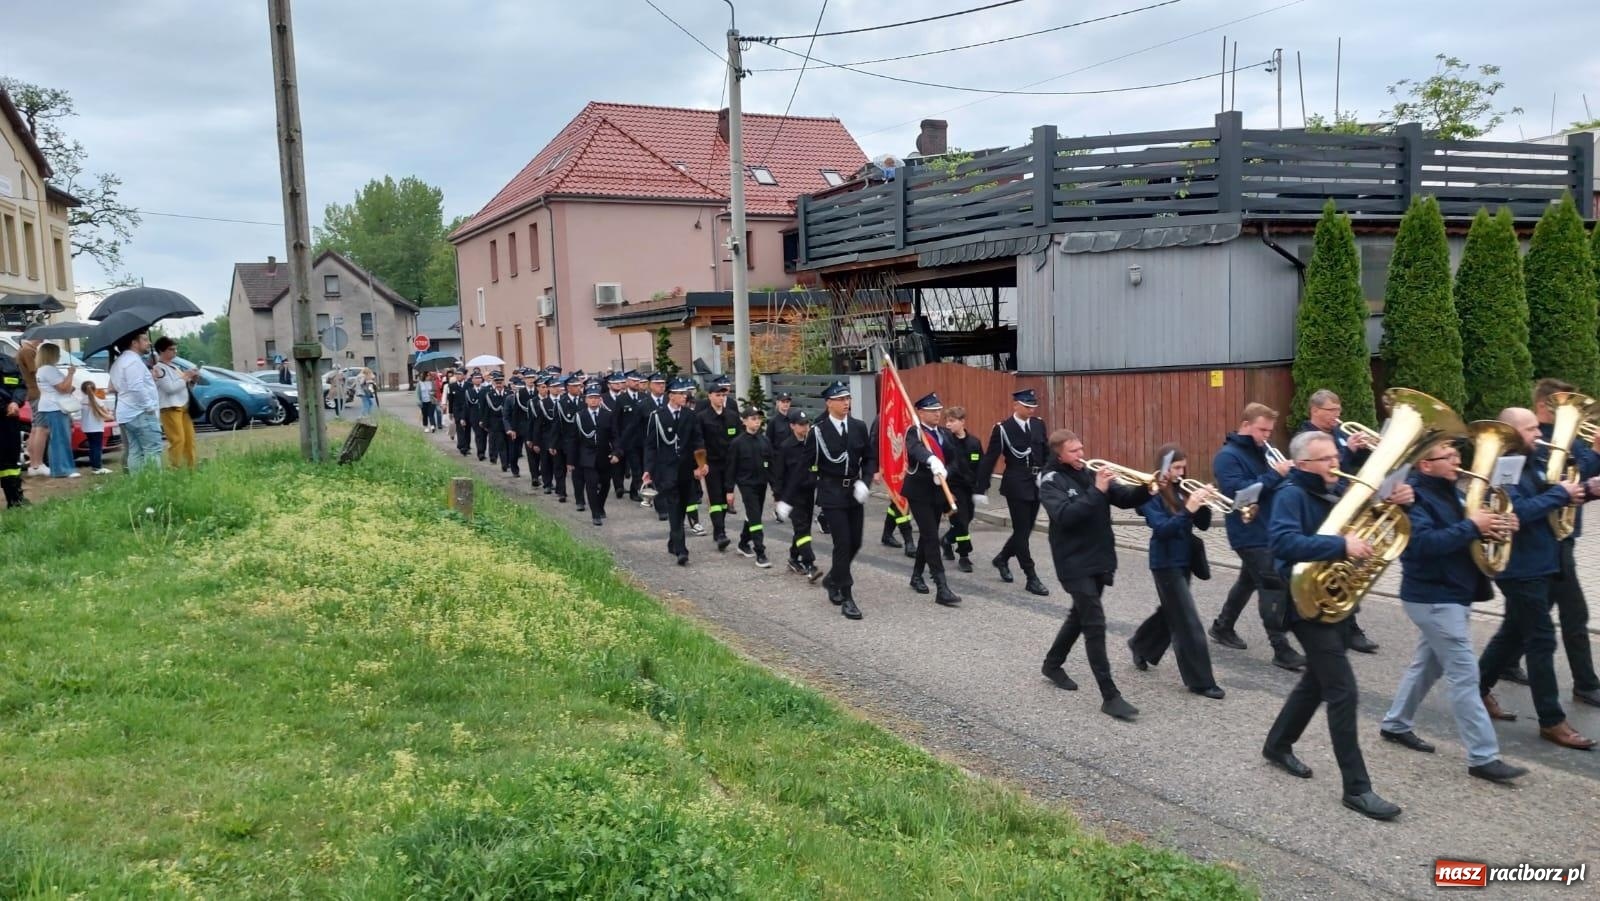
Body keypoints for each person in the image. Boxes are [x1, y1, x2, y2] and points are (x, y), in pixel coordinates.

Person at [1263, 430, 1401, 820]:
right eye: (1326, 459)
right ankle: (1357, 789)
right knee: (1342, 690)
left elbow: (1362, 532)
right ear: (1304, 464)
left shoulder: (1335, 490)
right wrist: (1342, 546)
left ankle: (1277, 744)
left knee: (1316, 682)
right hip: (1302, 604)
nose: (1335, 464)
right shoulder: (1291, 494)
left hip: (1333, 602)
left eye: (1335, 457)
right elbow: (1284, 544)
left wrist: (1390, 506)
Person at [1377, 438, 1530, 783]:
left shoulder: (1455, 491)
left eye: (1456, 453)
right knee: (1464, 675)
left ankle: (1395, 723)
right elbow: (1422, 546)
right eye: (1446, 456)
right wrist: (1473, 525)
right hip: (1432, 596)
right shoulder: (1413, 497)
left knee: (1426, 666)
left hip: (1452, 593)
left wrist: (1500, 525)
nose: (1456, 459)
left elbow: (1469, 533)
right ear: (1425, 465)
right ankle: (1483, 756)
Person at [1476, 407, 1595, 750]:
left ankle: (1477, 689)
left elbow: (1555, 494)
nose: (1539, 435)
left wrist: (1585, 489)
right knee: (1541, 640)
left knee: (1512, 634)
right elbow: (1516, 513)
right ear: (1511, 433)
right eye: (1530, 430)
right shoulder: (1500, 469)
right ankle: (1551, 720)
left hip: (1546, 560)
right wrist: (1560, 494)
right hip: (1520, 567)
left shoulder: (1536, 457)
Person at [1499, 379, 1600, 707]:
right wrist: (1592, 456)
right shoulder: (1530, 443)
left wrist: (1591, 485)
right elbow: (1551, 485)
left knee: (1522, 617)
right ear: (1545, 406)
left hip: (1560, 535)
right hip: (1544, 541)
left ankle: (1500, 667)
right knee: (1573, 614)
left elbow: (1574, 482)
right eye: (1566, 405)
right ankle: (1585, 685)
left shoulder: (1562, 438)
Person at [1038, 428, 1149, 720]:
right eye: (1074, 451)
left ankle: (1052, 663)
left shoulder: (1090, 473)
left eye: (1082, 449)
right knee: (1095, 623)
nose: (1082, 455)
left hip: (1099, 558)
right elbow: (1066, 516)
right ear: (1058, 453)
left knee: (1080, 616)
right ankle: (1110, 696)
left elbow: (1125, 499)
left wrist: (1149, 487)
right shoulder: (1051, 481)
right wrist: (1097, 489)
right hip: (1072, 562)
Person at [1210, 403, 1305, 671]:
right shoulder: (1227, 456)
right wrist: (1276, 475)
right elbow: (1238, 494)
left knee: (1248, 580)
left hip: (1269, 527)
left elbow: (1276, 485)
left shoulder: (1264, 451)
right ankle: (1280, 647)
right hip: (1247, 531)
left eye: (1269, 430)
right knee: (1272, 583)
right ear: (1246, 424)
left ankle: (1222, 626)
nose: (1267, 435)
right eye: (1262, 429)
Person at [1129, 444, 1224, 699]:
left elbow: (1202, 525)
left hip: (1185, 560)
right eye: (1176, 468)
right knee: (1187, 620)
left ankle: (1140, 645)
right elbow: (1162, 530)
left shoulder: (1183, 489)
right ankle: (1201, 681)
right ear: (1164, 467)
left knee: (1170, 611)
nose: (1181, 472)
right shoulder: (1151, 494)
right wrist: (1189, 508)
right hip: (1164, 562)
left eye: (1183, 467)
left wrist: (1204, 504)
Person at [1295, 389, 1380, 654]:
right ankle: (1344, 624)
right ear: (1315, 410)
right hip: (1324, 505)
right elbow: (1325, 470)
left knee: (1347, 563)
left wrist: (1362, 451)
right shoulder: (1305, 438)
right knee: (1336, 562)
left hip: (1344, 502)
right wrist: (1346, 452)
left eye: (1338, 410)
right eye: (1331, 410)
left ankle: (1342, 621)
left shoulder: (1340, 434)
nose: (1337, 416)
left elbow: (1352, 467)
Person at [812, 380, 876, 620]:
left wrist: (865, 481)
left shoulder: (858, 427)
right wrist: (787, 497)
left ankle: (832, 579)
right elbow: (806, 464)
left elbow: (870, 458)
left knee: (856, 543)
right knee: (843, 543)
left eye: (847, 398)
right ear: (829, 403)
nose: (846, 403)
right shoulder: (818, 430)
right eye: (840, 399)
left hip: (854, 493)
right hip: (831, 493)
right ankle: (847, 596)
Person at [977, 389, 1050, 596]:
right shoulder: (1003, 428)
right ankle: (1031, 576)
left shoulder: (1038, 424)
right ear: (1016, 405)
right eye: (1027, 406)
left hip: (1036, 483)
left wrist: (1047, 473)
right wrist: (981, 488)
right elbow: (990, 458)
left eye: (1033, 406)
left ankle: (1002, 558)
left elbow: (1045, 453)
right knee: (1021, 531)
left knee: (1025, 530)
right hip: (1016, 483)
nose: (1031, 409)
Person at [902, 393, 961, 606]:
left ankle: (917, 575)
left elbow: (955, 460)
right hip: (919, 492)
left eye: (938, 410)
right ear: (920, 412)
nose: (937, 413)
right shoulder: (914, 432)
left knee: (928, 536)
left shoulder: (944, 433)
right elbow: (915, 450)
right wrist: (931, 459)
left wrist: (945, 471)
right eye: (932, 410)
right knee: (931, 536)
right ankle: (942, 587)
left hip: (938, 490)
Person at [642, 376, 707, 565]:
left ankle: (673, 541)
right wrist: (648, 469)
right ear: (671, 396)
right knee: (674, 507)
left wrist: (701, 464)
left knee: (683, 506)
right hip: (666, 470)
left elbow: (698, 441)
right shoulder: (658, 416)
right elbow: (651, 446)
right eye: (679, 394)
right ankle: (681, 549)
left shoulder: (690, 415)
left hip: (686, 470)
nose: (684, 397)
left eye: (685, 393)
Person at [774, 411, 823, 581]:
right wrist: (778, 498)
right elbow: (778, 474)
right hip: (792, 495)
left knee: (804, 529)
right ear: (792, 426)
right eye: (801, 425)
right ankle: (810, 565)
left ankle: (794, 558)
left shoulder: (812, 444)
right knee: (802, 529)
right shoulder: (786, 447)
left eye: (807, 424)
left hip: (808, 493)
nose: (805, 428)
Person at [725, 404, 776, 567]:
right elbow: (731, 467)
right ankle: (760, 552)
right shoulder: (737, 443)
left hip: (762, 483)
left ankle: (743, 542)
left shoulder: (764, 440)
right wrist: (729, 490)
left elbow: (771, 464)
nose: (757, 422)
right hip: (746, 484)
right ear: (744, 421)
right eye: (753, 419)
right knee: (755, 516)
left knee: (754, 515)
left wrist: (776, 488)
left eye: (759, 419)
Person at [696, 375, 742, 551]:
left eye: (723, 396)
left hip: (729, 463)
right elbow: (699, 442)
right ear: (710, 396)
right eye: (717, 395)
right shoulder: (702, 417)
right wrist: (702, 464)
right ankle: (721, 533)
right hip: (712, 464)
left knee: (725, 498)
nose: (721, 398)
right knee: (715, 497)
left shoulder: (731, 416)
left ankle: (718, 528)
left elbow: (738, 440)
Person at [108, 330, 162, 472]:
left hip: (126, 412)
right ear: (134, 343)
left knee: (135, 451)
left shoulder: (119, 362)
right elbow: (136, 387)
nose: (148, 343)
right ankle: (154, 484)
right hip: (140, 413)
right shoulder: (133, 361)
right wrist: (149, 406)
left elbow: (122, 386)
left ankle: (138, 484)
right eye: (144, 340)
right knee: (152, 450)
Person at [939, 406, 983, 572]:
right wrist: (947, 493)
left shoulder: (974, 442)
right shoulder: (946, 442)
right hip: (952, 488)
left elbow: (980, 466)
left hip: (969, 488)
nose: (948, 424)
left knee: (967, 518)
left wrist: (980, 488)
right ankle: (964, 556)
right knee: (960, 521)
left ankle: (946, 540)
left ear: (962, 422)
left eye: (952, 421)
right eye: (947, 421)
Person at [32, 343, 79, 479]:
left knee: (57, 438)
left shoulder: (41, 370)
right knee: (60, 438)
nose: (59, 356)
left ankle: (60, 468)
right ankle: (62, 469)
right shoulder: (49, 370)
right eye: (57, 353)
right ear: (51, 355)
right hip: (55, 406)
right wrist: (70, 374)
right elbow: (63, 388)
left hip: (49, 405)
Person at [151, 337, 198, 469]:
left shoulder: (174, 367)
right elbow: (170, 389)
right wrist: (185, 376)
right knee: (178, 440)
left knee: (189, 439)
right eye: (171, 349)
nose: (174, 351)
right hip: (170, 408)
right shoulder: (159, 369)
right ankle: (175, 467)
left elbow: (183, 387)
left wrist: (192, 380)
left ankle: (191, 467)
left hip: (183, 406)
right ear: (161, 351)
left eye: (175, 348)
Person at [576, 381, 617, 526]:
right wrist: (571, 460)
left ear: (600, 399)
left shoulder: (608, 415)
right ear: (586, 399)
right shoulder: (580, 416)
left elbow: (614, 436)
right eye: (591, 397)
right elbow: (574, 439)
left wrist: (616, 452)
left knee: (606, 484)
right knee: (591, 485)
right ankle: (595, 514)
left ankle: (600, 505)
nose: (593, 400)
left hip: (604, 455)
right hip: (587, 456)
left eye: (596, 397)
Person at [16, 337, 47, 476]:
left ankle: (33, 464)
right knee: (40, 429)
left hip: (32, 392)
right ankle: (37, 464)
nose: (42, 340)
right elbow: (35, 371)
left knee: (35, 428)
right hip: (36, 392)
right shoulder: (28, 351)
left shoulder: (24, 350)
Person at [0, 349, 27, 506]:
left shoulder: (8, 361)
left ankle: (15, 499)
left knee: (10, 460)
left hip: (9, 419)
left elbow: (20, 385)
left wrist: (15, 402)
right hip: (4, 411)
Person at [80, 380, 114, 474]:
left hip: (86, 427)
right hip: (96, 427)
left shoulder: (82, 401)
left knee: (92, 446)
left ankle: (94, 465)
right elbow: (106, 413)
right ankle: (97, 467)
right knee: (97, 447)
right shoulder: (98, 401)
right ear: (94, 390)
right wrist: (110, 414)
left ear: (82, 391)